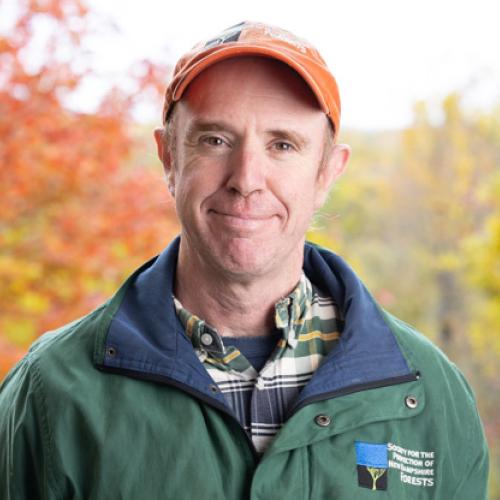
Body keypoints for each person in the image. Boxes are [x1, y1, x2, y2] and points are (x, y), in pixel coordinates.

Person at [0, 21, 489, 499]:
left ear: (327, 172)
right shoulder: (52, 392)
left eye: (282, 145)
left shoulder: (431, 397)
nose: (246, 178)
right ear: (168, 156)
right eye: (215, 140)